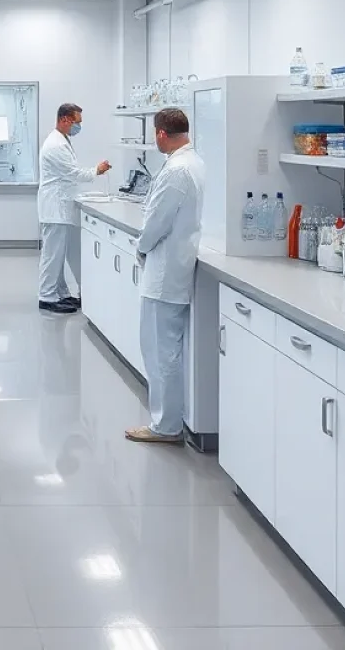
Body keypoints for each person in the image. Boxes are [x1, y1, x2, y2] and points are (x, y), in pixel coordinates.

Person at [126, 107, 205, 444]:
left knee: (160, 352)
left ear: (160, 133)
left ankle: (166, 425)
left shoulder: (175, 171)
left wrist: (141, 246)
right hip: (177, 265)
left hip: (163, 273)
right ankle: (170, 419)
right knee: (167, 349)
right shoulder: (195, 163)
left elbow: (156, 222)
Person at [37, 103, 110, 314]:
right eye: (77, 122)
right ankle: (47, 296)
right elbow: (74, 173)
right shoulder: (56, 145)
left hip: (59, 206)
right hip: (54, 207)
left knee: (58, 254)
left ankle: (60, 292)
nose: (79, 127)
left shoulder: (61, 140)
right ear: (65, 119)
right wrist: (97, 170)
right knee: (52, 254)